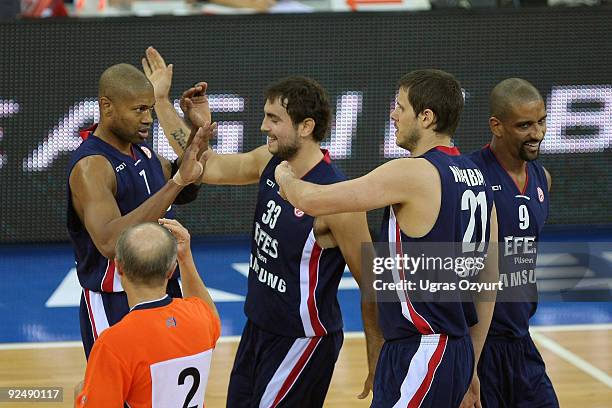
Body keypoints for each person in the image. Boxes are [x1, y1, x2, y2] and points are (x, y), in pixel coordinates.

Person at [148, 46, 383, 407]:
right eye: (264, 116)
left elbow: (371, 284)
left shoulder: (336, 199)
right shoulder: (269, 161)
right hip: (257, 328)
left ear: (306, 127)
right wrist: (163, 102)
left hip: (302, 342)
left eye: (274, 119)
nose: (263, 127)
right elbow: (205, 168)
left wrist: (375, 358)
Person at [274, 69, 500, 408]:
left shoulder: (412, 172)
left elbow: (312, 200)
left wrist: (284, 176)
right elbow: (488, 283)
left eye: (400, 107)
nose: (392, 114)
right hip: (444, 347)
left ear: (426, 117)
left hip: (425, 348)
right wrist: (471, 364)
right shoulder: (479, 179)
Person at [67, 62, 214, 358]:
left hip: (162, 291)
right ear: (106, 107)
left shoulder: (143, 151)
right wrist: (176, 181)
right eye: (139, 110)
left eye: (150, 109)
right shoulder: (92, 166)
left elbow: (187, 188)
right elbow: (110, 242)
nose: (148, 119)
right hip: (116, 300)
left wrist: (198, 128)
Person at [467, 78, 559, 408]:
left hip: (521, 343)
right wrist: (467, 362)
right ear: (497, 125)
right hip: (479, 345)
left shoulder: (541, 179)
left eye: (541, 121)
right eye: (524, 125)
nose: (537, 133)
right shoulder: (471, 177)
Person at [74, 220, 221, 408]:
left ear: (119, 268)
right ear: (171, 271)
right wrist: (185, 257)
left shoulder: (113, 343)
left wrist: (79, 398)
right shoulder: (201, 318)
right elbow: (210, 314)